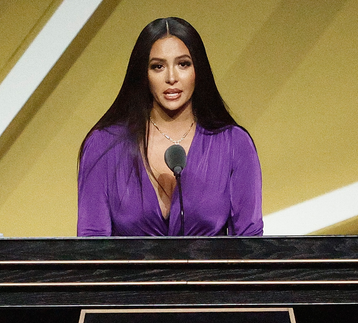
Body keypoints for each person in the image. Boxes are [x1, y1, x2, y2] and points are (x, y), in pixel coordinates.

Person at [77, 17, 263, 236]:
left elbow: (251, 246)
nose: (171, 78)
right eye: (158, 66)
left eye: (183, 64)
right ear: (143, 74)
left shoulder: (234, 144)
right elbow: (91, 248)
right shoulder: (103, 146)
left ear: (198, 70)